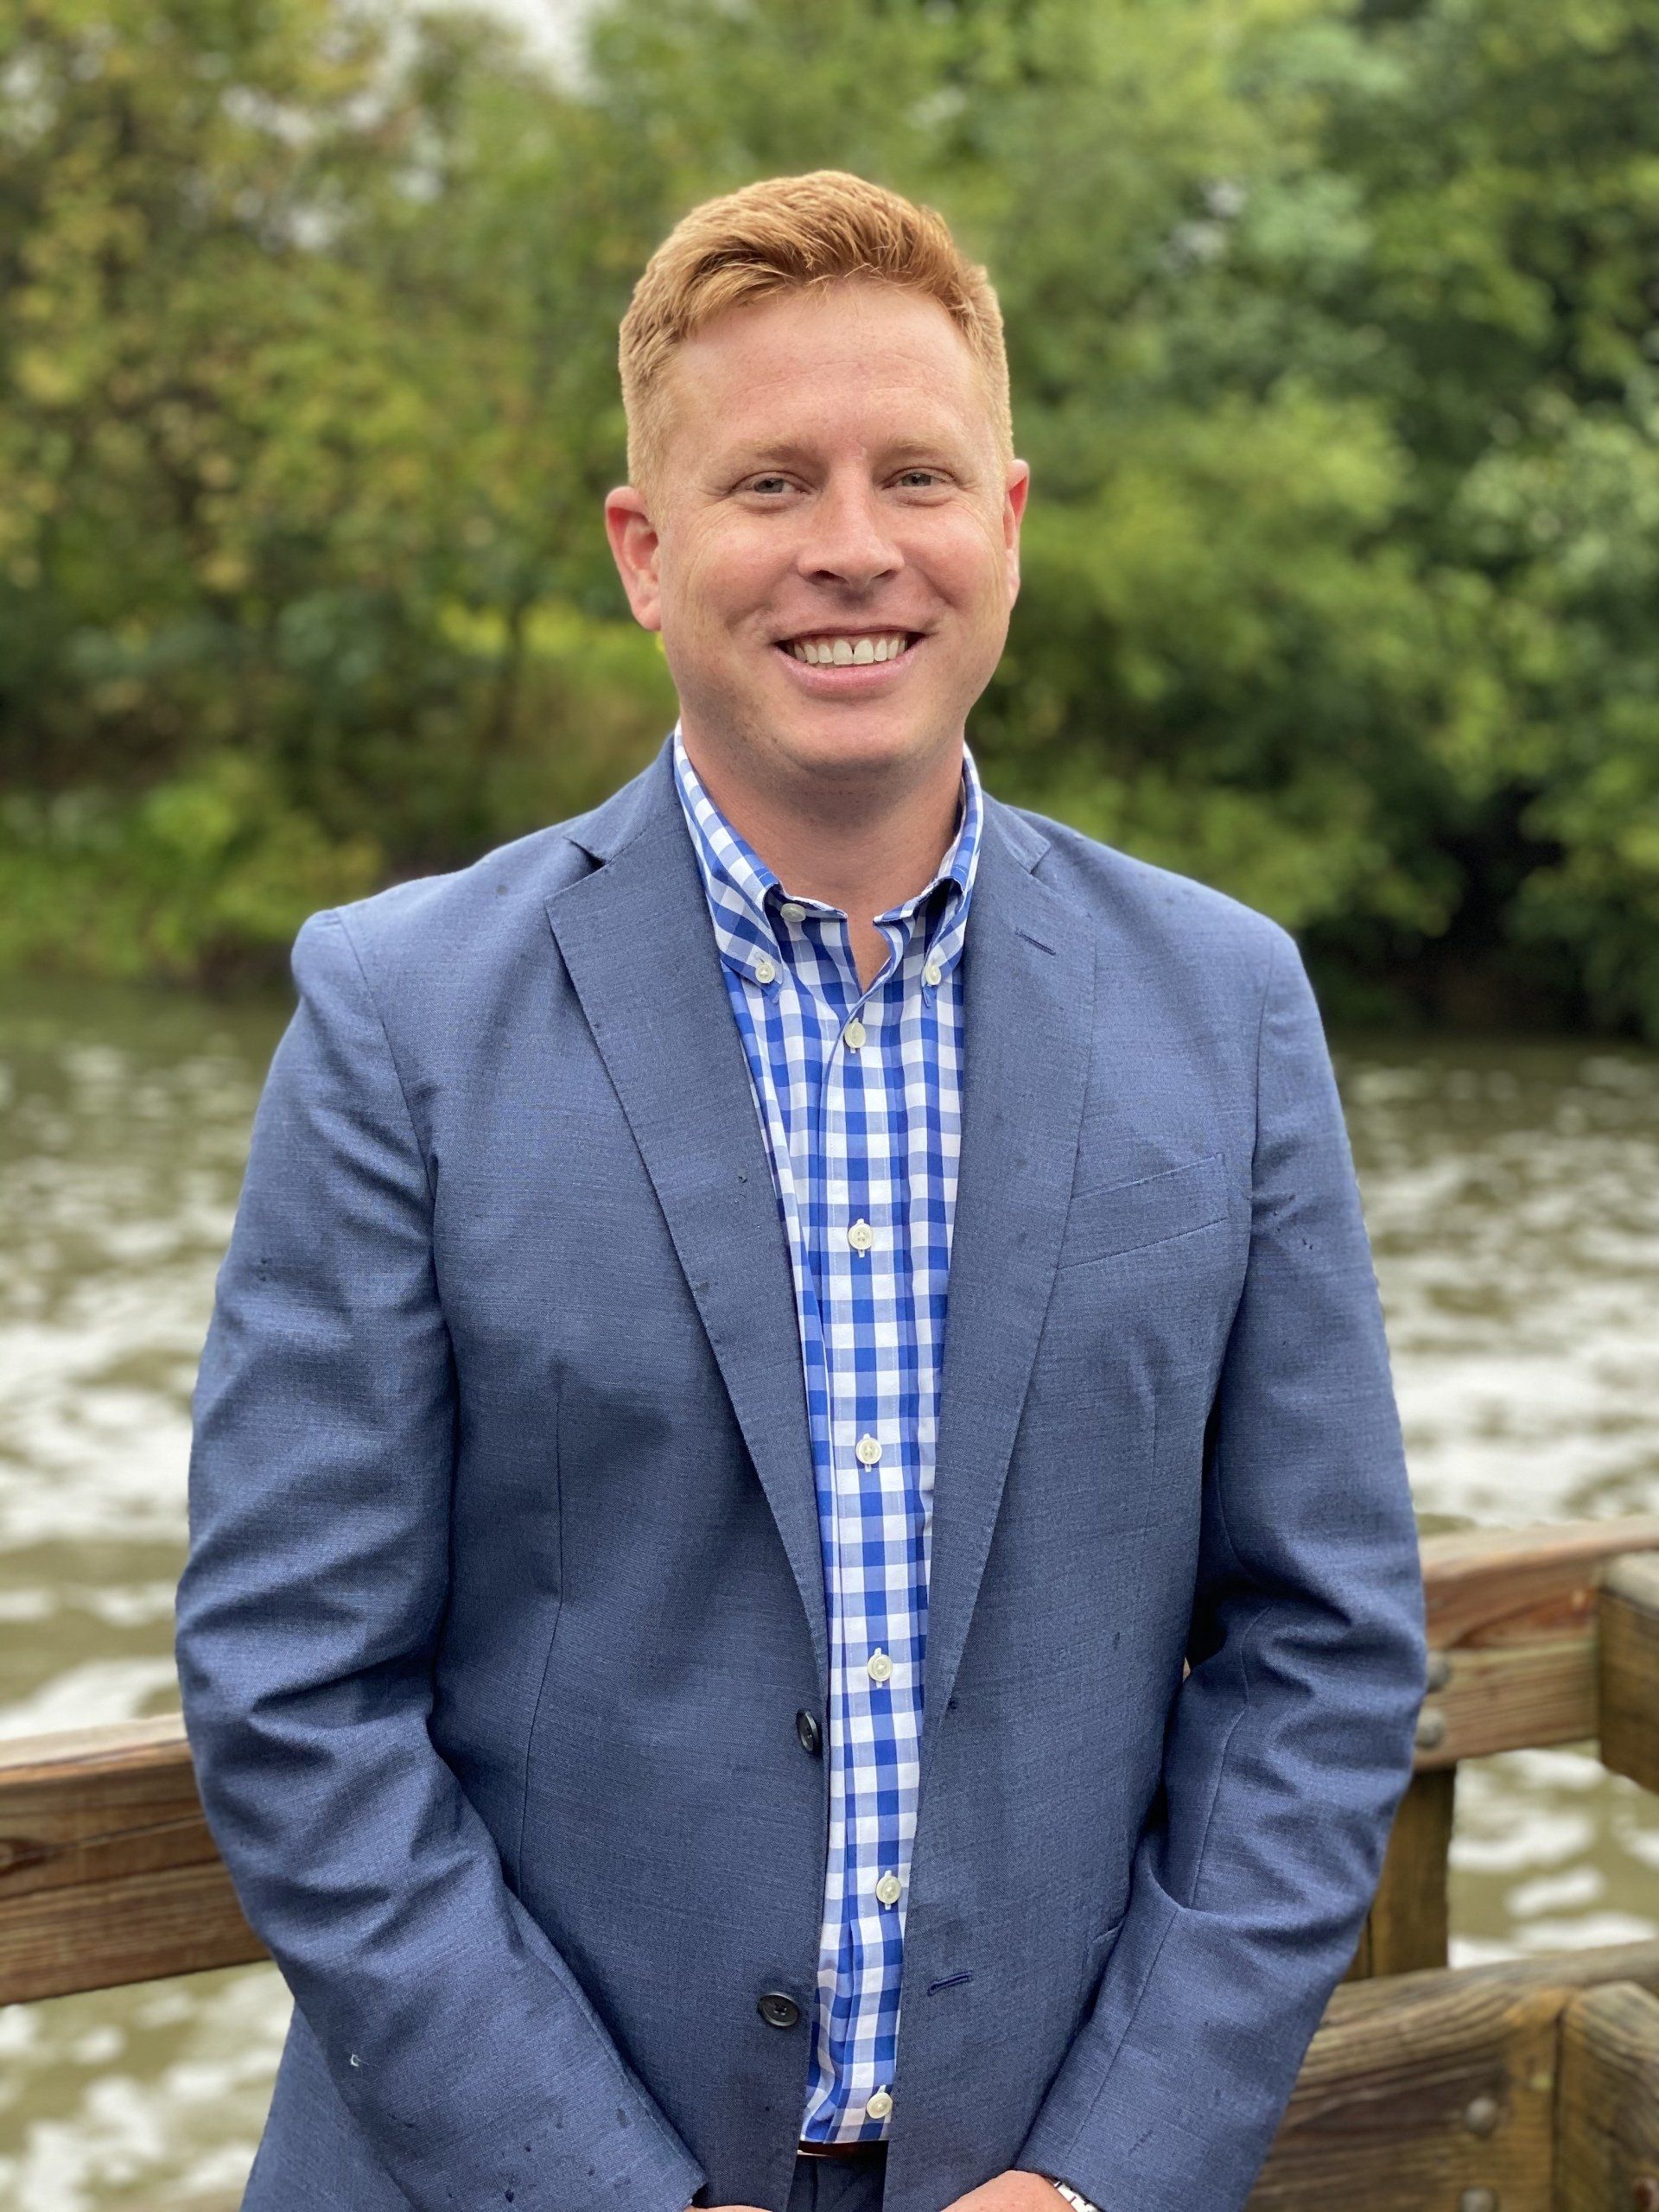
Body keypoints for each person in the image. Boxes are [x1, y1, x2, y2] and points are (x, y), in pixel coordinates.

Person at [174, 169, 1428, 2212]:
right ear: (644, 553)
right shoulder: (398, 1018)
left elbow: (1327, 1644)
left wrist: (1112, 2170)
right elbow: (292, 1691)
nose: (854, 548)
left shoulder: (1229, 1003)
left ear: (1007, 526)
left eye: (913, 474)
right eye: (770, 484)